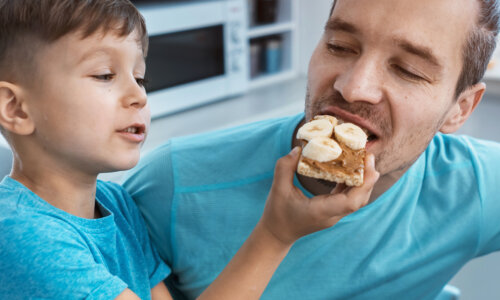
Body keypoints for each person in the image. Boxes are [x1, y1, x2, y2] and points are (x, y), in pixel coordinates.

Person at [0, 0, 379, 299]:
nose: (139, 96)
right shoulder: (21, 237)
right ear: (16, 108)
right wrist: (277, 234)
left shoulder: (117, 205)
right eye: (104, 75)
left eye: (141, 77)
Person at [123, 0, 500, 299]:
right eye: (339, 46)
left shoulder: (478, 187)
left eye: (408, 70)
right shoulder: (172, 185)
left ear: (461, 108)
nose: (354, 88)